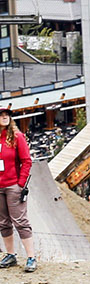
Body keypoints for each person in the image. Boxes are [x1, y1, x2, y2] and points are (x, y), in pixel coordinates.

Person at [0, 106, 35, 272]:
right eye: (1, 115)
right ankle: (10, 255)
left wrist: (20, 184)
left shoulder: (16, 136)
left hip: (13, 185)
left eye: (6, 114)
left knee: (20, 221)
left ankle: (31, 257)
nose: (4, 117)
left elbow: (26, 161)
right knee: (3, 222)